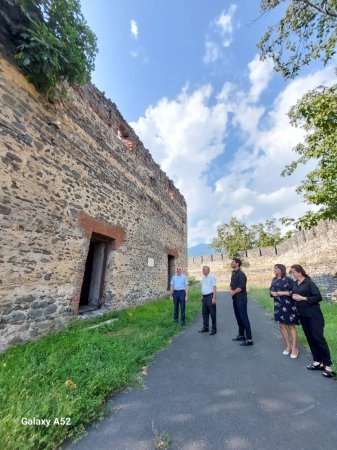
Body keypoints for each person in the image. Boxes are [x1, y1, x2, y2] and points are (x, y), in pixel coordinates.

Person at [290, 264, 335, 379]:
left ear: (300, 272)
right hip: (303, 315)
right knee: (310, 338)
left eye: (293, 272)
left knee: (318, 338)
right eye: (291, 272)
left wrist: (303, 298)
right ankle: (317, 361)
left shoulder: (309, 283)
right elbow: (295, 296)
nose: (292, 274)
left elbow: (318, 297)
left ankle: (328, 365)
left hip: (314, 315)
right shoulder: (295, 284)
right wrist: (294, 297)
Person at [270, 264, 299, 358]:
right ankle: (288, 345)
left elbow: (294, 291)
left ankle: (294, 348)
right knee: (282, 325)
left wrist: (283, 292)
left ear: (281, 269)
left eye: (276, 268)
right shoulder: (274, 280)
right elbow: (270, 290)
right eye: (274, 268)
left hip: (288, 305)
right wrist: (272, 293)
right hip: (278, 305)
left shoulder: (288, 279)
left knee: (291, 326)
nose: (274, 269)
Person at [230, 258, 253, 346]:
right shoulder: (233, 273)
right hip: (235, 299)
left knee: (244, 318)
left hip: (241, 299)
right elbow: (231, 284)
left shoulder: (241, 274)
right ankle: (241, 335)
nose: (231, 263)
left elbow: (241, 287)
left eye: (233, 262)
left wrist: (233, 292)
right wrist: (230, 290)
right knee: (238, 317)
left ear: (237, 264)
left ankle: (249, 339)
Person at [198, 266, 217, 335]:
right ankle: (205, 328)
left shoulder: (212, 277)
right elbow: (203, 287)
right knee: (204, 313)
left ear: (208, 270)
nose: (203, 271)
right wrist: (202, 295)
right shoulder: (203, 278)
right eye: (203, 270)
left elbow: (214, 287)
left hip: (210, 296)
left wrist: (214, 298)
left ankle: (214, 329)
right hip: (204, 297)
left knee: (212, 313)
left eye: (204, 270)